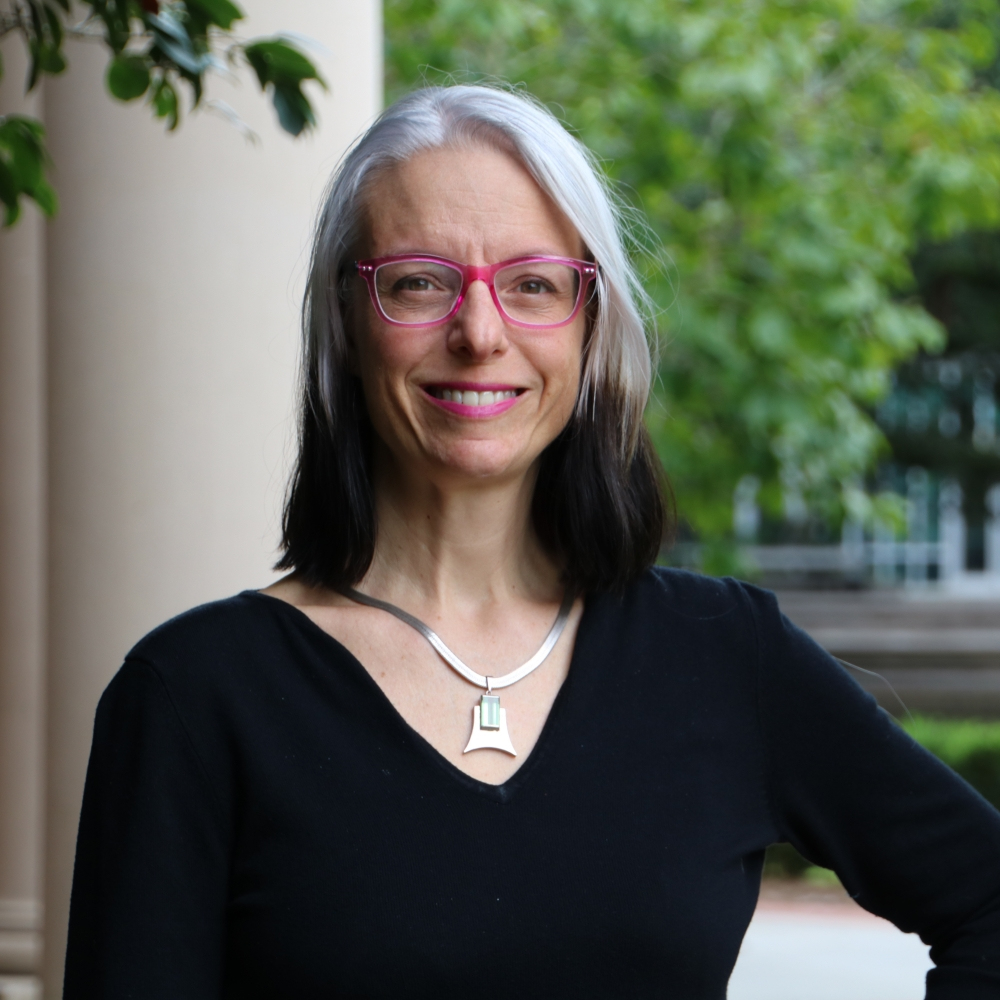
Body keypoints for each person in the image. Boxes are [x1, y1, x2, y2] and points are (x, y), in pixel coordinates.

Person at [64, 85, 1000, 999]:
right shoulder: (193, 697)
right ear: (346, 323)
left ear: (592, 327)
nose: (480, 331)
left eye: (534, 284)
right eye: (420, 283)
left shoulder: (724, 658)